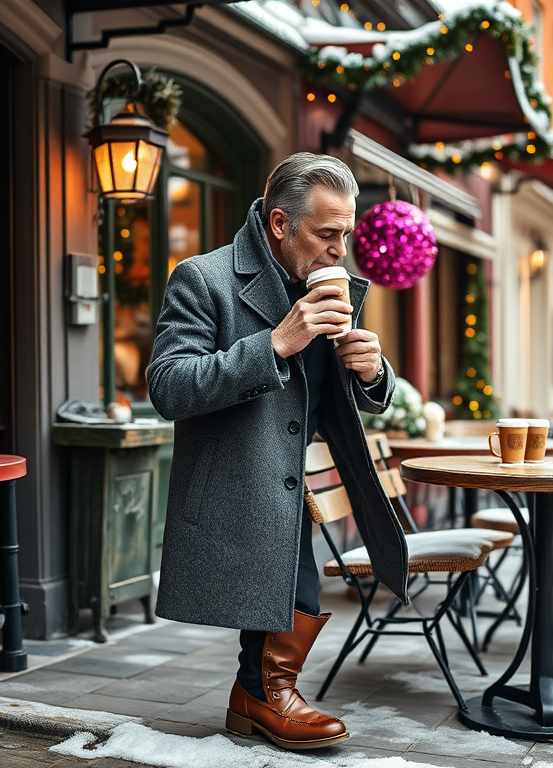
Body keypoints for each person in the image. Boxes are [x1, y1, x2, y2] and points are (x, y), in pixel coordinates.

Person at [147, 153, 408, 750]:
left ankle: (259, 697)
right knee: (286, 587)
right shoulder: (203, 278)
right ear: (279, 223)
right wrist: (275, 343)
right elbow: (168, 386)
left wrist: (372, 373)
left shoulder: (328, 284)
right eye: (327, 233)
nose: (341, 249)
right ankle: (266, 697)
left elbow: (338, 393)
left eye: (346, 233)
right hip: (237, 477)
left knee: (296, 586)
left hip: (297, 477)